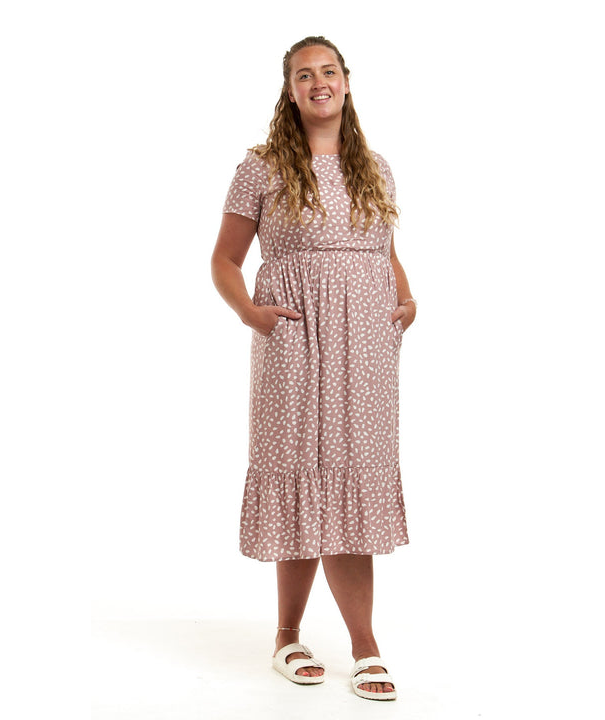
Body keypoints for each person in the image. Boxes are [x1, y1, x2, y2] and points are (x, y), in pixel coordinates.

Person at [211, 36, 416, 701]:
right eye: (305, 74)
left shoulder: (375, 168)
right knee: (301, 469)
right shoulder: (263, 166)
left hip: (367, 346)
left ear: (347, 82)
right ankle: (287, 636)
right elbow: (224, 258)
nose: (318, 82)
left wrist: (406, 298)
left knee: (350, 472)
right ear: (291, 90)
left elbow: (381, 250)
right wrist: (252, 314)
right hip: (293, 338)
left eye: (328, 71)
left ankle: (364, 646)